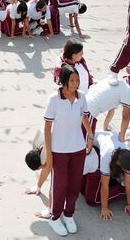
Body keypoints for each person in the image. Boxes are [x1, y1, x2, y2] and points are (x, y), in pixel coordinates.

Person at [44, 64, 92, 236]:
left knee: (74, 184)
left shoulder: (82, 97)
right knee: (60, 185)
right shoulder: (54, 99)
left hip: (78, 148)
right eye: (72, 80)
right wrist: (49, 152)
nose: (75, 84)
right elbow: (47, 126)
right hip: (59, 151)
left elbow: (84, 116)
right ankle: (55, 217)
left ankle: (69, 214)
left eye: (77, 80)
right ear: (63, 80)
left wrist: (90, 135)